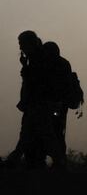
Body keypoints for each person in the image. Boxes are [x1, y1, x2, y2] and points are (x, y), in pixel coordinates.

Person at [12, 31, 66, 169]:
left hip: (40, 103)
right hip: (39, 103)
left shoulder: (39, 58)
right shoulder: (38, 57)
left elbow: (36, 81)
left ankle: (59, 162)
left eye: (22, 44)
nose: (20, 48)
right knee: (33, 134)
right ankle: (59, 162)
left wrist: (25, 68)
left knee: (40, 134)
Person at [42, 41, 73, 160]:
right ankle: (59, 160)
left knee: (55, 132)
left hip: (56, 105)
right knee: (57, 133)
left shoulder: (55, 65)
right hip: (59, 105)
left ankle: (58, 161)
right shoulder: (63, 63)